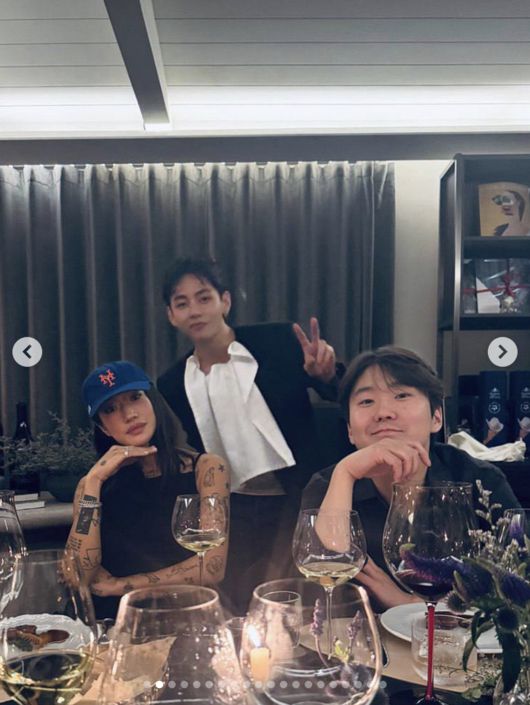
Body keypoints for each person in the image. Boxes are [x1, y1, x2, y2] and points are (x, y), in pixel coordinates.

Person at [157, 257, 344, 613]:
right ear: (171, 315)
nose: (194, 310)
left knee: (300, 599)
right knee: (240, 601)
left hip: (297, 498)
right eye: (182, 303)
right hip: (234, 509)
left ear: (225, 301)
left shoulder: (278, 341)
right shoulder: (172, 383)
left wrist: (326, 374)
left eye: (204, 297)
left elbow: (340, 394)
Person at [302, 345, 520, 611]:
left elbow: (519, 588)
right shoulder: (327, 485)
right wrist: (345, 473)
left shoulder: (479, 481)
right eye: (366, 401)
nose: (383, 412)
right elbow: (320, 585)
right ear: (349, 429)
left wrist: (408, 604)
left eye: (402, 395)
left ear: (436, 417)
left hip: (458, 636)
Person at [66, 360, 230, 619]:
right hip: (115, 621)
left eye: (135, 397)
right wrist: (95, 481)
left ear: (153, 401)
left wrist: (120, 586)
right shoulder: (92, 485)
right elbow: (78, 576)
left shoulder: (207, 469)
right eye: (110, 409)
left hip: (185, 615)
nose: (129, 414)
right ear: (103, 427)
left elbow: (211, 566)